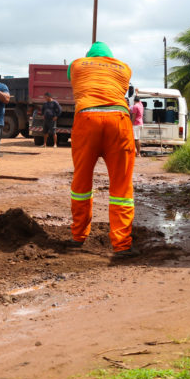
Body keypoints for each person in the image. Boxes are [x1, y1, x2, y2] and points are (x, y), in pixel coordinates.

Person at [67, 42, 137, 258]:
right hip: (119, 120)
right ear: (110, 57)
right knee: (122, 186)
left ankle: (78, 236)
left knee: (81, 181)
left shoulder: (77, 64)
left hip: (87, 118)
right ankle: (122, 244)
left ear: (89, 56)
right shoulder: (124, 67)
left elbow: (72, 78)